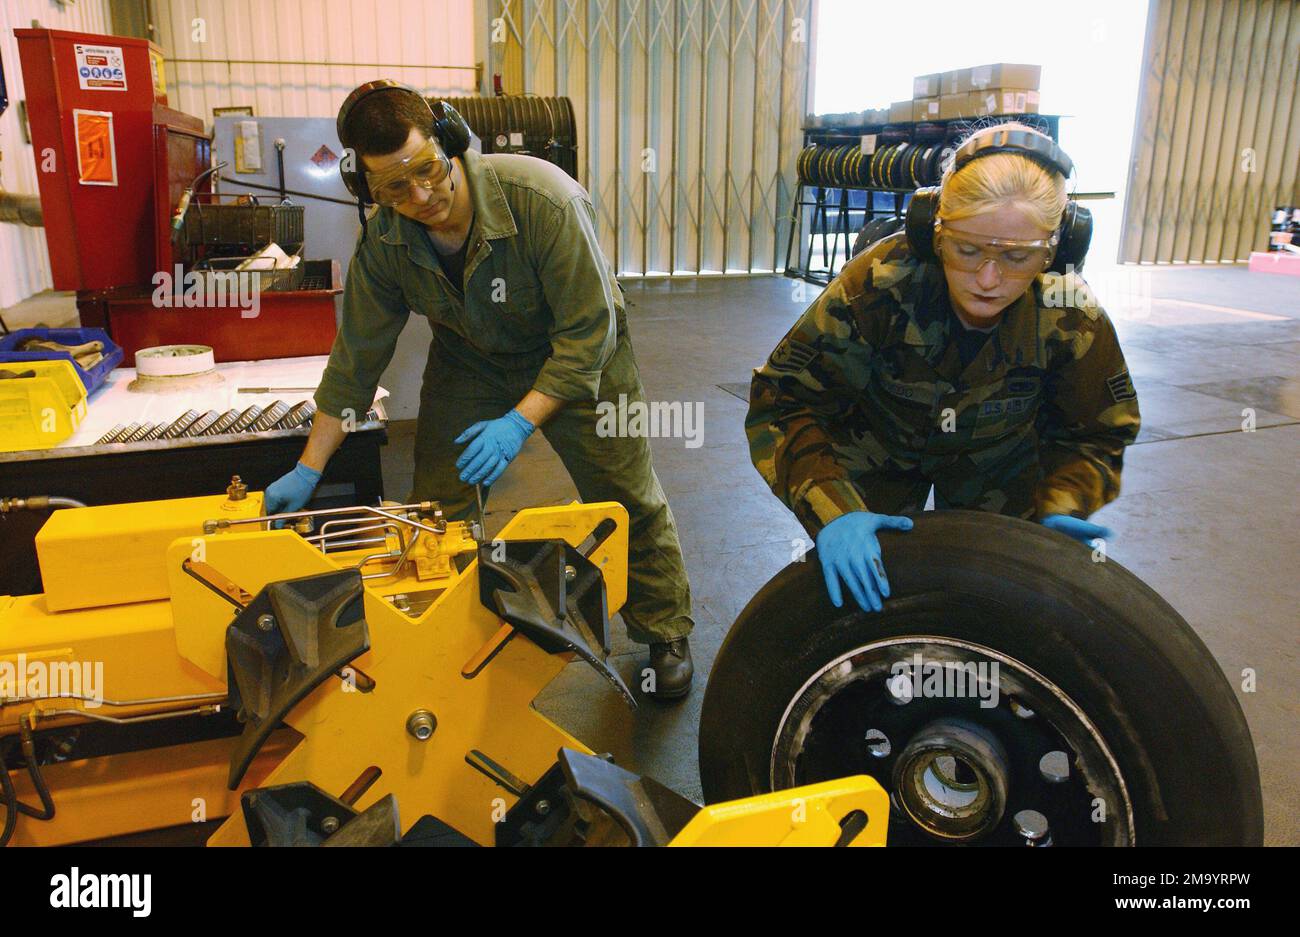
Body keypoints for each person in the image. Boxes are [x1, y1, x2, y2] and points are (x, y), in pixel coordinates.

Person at [264, 80, 695, 699]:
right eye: (393, 187)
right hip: (471, 360)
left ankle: (663, 631)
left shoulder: (543, 200)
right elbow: (357, 361)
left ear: (449, 143)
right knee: (437, 510)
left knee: (624, 493)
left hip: (579, 356)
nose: (420, 197)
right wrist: (309, 466)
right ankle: (452, 634)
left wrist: (520, 422)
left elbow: (586, 336)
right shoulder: (385, 242)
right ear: (368, 189)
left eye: (427, 172)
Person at [747, 122, 1141, 614]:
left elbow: (1097, 432)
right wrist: (833, 510)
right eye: (967, 249)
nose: (988, 279)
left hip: (998, 468)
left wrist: (1061, 501)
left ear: (1057, 248)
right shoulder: (878, 285)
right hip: (878, 453)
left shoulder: (1069, 315)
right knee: (868, 599)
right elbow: (784, 401)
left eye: (1018, 256)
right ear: (933, 230)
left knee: (998, 602)